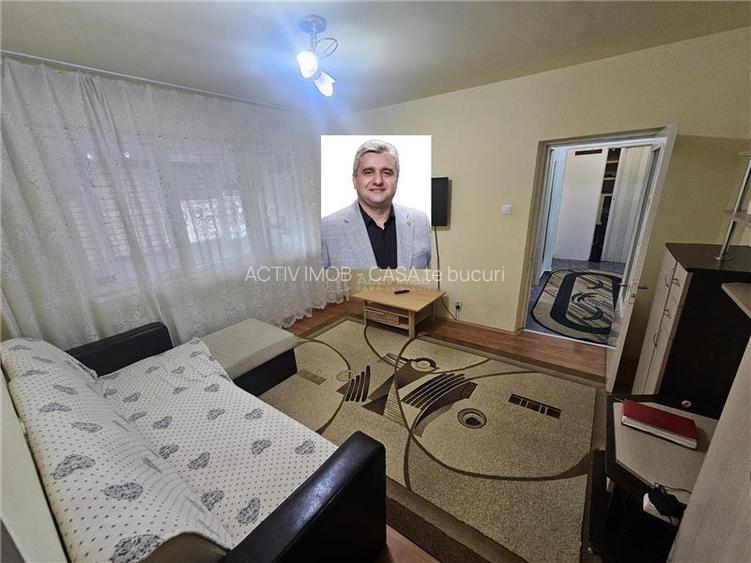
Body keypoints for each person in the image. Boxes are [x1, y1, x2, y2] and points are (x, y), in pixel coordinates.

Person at [321, 139, 431, 269]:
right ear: (354, 180)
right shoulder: (325, 229)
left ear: (397, 179)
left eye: (386, 173)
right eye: (368, 172)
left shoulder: (420, 222)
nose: (378, 181)